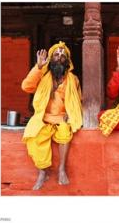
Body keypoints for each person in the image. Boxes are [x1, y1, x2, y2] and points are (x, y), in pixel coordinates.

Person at [21, 41, 82, 190]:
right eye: (56, 54)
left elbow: (78, 100)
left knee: (64, 132)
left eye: (63, 55)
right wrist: (39, 67)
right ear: (50, 58)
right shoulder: (42, 74)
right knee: (34, 136)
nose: (59, 57)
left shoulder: (72, 79)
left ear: (67, 61)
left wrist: (71, 113)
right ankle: (43, 172)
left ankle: (61, 169)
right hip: (43, 117)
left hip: (62, 117)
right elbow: (26, 86)